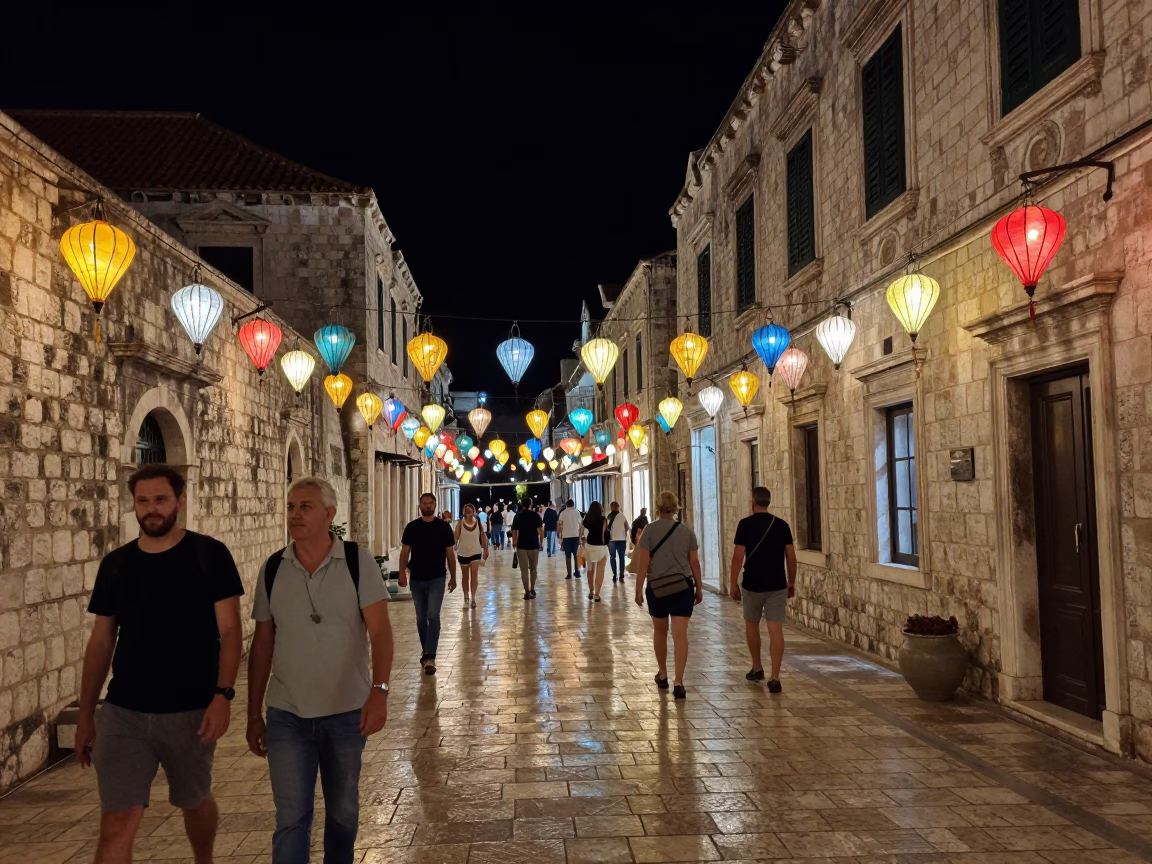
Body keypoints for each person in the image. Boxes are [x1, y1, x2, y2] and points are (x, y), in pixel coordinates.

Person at [77, 463, 244, 864]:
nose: (151, 508)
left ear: (179, 501)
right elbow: (101, 642)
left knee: (195, 800)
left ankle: (204, 859)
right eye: (143, 501)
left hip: (190, 711)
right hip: (124, 713)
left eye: (160, 499)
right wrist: (87, 714)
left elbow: (231, 632)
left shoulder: (209, 555)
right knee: (117, 822)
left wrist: (222, 695)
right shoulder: (116, 565)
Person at [247, 476, 393, 864]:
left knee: (343, 814)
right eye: (291, 507)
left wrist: (379, 691)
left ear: (328, 514)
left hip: (346, 711)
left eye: (305, 507)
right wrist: (251, 712)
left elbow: (380, 632)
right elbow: (262, 644)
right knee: (291, 818)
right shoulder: (274, 569)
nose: (295, 515)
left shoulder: (358, 563)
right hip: (287, 713)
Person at [634, 492, 703, 700]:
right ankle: (679, 681)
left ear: (657, 508)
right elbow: (694, 563)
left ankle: (663, 673)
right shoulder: (687, 532)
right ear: (675, 508)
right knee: (680, 635)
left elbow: (643, 564)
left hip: (657, 588)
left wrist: (638, 590)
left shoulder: (649, 531)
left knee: (660, 632)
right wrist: (699, 588)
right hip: (682, 588)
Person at [730, 486, 797, 693]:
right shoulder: (782, 525)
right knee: (775, 630)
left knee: (752, 627)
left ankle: (757, 666)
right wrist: (791, 581)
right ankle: (775, 677)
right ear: (768, 502)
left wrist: (733, 582)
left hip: (752, 584)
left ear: (753, 502)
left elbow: (738, 556)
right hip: (776, 584)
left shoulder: (745, 525)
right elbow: (791, 556)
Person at [398, 493, 457, 675]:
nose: (428, 506)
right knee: (421, 618)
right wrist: (401, 573)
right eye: (425, 503)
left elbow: (450, 554)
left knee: (433, 614)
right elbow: (404, 552)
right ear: (420, 506)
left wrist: (454, 577)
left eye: (431, 503)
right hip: (417, 578)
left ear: (435, 505)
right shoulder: (412, 527)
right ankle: (426, 651)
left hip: (437, 578)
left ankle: (431, 655)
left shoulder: (444, 527)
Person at [455, 503, 488, 610]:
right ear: (464, 512)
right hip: (463, 553)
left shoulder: (478, 523)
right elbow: (455, 537)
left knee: (474, 576)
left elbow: (483, 536)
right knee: (465, 577)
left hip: (476, 553)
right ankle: (466, 597)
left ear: (474, 512)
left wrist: (486, 549)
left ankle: (473, 598)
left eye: (470, 510)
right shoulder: (460, 523)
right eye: (466, 510)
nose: (469, 512)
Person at [511, 497, 545, 599]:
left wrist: (514, 542)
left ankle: (526, 591)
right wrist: (541, 543)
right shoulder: (535, 515)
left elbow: (514, 531)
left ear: (522, 505)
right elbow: (541, 530)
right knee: (533, 569)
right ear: (530, 504)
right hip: (534, 545)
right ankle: (532, 589)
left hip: (521, 545)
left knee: (524, 570)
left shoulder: (518, 516)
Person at [582, 502, 609, 602]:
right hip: (601, 547)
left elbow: (582, 531)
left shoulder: (587, 519)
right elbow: (603, 533)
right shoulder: (603, 519)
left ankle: (590, 591)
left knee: (590, 570)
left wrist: (582, 541)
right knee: (600, 571)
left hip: (590, 546)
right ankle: (597, 594)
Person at [558, 499, 584, 579]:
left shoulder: (562, 513)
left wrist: (560, 536)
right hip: (575, 536)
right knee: (576, 555)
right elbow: (581, 526)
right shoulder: (577, 512)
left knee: (568, 556)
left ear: (566, 505)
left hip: (566, 537)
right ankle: (577, 572)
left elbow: (560, 525)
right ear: (573, 504)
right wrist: (580, 537)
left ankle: (569, 573)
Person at [607, 501, 629, 583]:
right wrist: (623, 534)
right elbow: (627, 527)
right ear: (618, 507)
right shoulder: (622, 516)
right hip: (621, 540)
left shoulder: (608, 517)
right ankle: (621, 575)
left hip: (612, 540)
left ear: (611, 507)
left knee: (612, 557)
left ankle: (614, 575)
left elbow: (606, 528)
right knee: (621, 557)